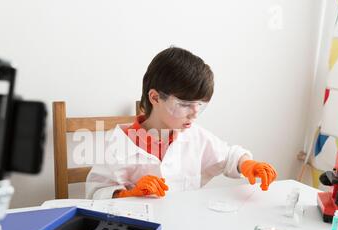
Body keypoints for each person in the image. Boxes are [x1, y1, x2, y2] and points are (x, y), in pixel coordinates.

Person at [86, 47, 277, 199]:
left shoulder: (195, 137)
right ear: (155, 97)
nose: (194, 113)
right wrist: (128, 194)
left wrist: (248, 164)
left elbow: (229, 157)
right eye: (185, 104)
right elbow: (96, 193)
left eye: (200, 105)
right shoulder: (118, 143)